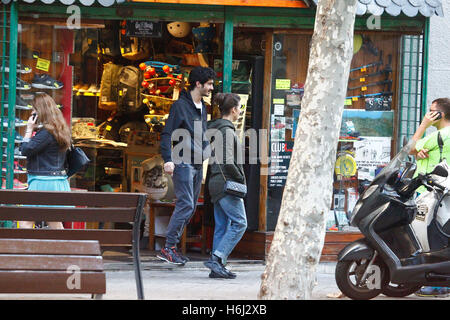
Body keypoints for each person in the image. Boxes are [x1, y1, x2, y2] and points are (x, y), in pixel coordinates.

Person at [157, 66, 215, 265]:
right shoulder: (179, 106)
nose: (211, 88)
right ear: (198, 84)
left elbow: (201, 133)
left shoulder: (203, 107)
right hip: (182, 162)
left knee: (189, 208)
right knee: (186, 204)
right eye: (209, 84)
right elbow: (166, 134)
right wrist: (168, 159)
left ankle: (171, 248)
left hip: (198, 163)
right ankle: (168, 247)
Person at [410, 97, 450, 298]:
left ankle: (439, 283)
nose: (428, 113)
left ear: (440, 114)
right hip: (444, 193)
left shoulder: (441, 135)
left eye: (431, 111)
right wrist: (419, 154)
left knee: (432, 237)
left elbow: (409, 147)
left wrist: (423, 125)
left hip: (434, 194)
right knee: (442, 236)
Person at [204, 93, 247, 279]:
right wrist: (240, 179)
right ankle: (218, 258)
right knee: (240, 223)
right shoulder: (227, 131)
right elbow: (228, 161)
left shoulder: (217, 128)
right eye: (239, 108)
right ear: (234, 110)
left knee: (222, 225)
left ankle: (217, 267)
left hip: (215, 182)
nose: (240, 112)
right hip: (226, 184)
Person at [18, 92, 72, 229]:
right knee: (54, 221)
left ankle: (24, 250)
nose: (32, 112)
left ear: (40, 111)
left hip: (42, 182)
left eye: (34, 110)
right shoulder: (59, 130)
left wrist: (29, 129)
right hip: (57, 183)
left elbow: (25, 150)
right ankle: (64, 248)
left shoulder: (46, 133)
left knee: (26, 221)